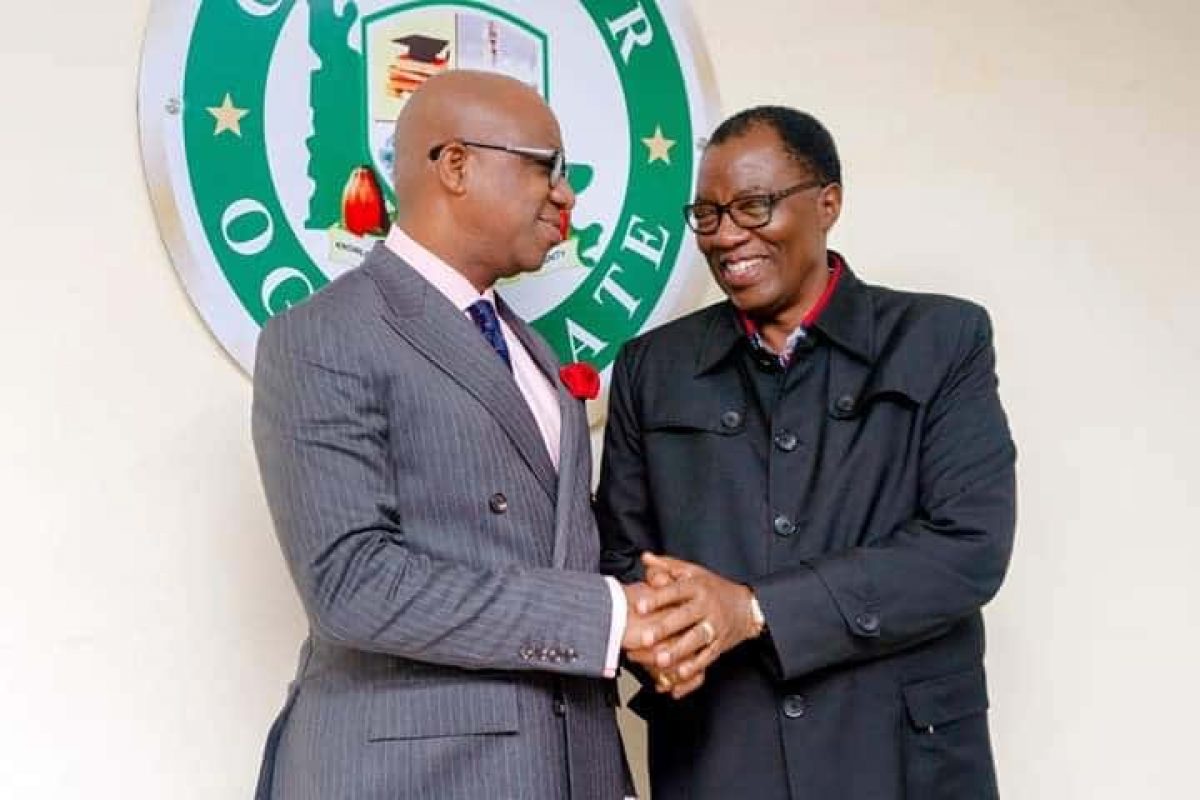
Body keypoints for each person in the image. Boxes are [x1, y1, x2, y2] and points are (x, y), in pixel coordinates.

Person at [251, 70, 681, 800]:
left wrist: (665, 620)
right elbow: (352, 584)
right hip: (419, 776)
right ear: (455, 164)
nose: (566, 194)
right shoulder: (323, 335)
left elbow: (554, 550)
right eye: (548, 165)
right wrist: (608, 616)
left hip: (571, 765)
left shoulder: (531, 350)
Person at [596, 106, 1017, 799]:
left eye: (754, 206)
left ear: (829, 204)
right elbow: (621, 556)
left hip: (903, 763)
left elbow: (966, 548)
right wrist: (666, 641)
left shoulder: (944, 338)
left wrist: (753, 609)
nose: (728, 236)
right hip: (721, 759)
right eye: (707, 214)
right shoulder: (651, 366)